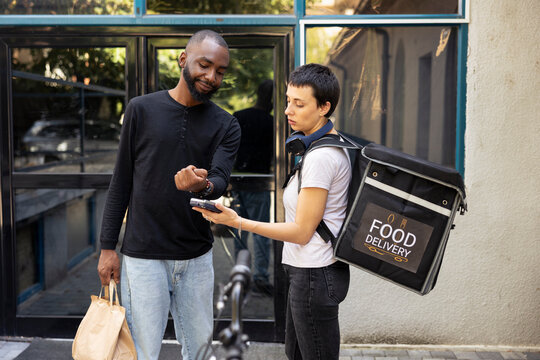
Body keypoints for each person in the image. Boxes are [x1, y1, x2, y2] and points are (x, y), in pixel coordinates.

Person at [97, 30, 241, 360]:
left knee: (201, 352)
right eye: (205, 65)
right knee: (145, 352)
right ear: (183, 60)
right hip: (143, 257)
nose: (212, 76)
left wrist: (201, 186)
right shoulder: (140, 110)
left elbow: (219, 180)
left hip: (196, 258)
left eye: (220, 71)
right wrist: (107, 248)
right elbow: (121, 182)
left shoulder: (226, 124)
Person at [195, 63, 350, 360]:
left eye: (299, 103)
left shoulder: (321, 158)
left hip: (314, 275)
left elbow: (303, 231)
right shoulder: (315, 149)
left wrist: (238, 221)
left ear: (324, 107)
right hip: (306, 273)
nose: (288, 110)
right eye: (288, 100)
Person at [231, 79, 274, 296]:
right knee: (260, 233)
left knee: (239, 231)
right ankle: (261, 279)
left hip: (239, 181)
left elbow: (229, 150)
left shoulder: (240, 116)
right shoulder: (273, 122)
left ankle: (241, 275)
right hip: (261, 182)